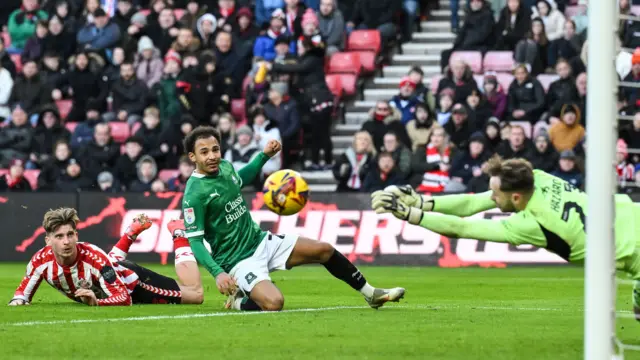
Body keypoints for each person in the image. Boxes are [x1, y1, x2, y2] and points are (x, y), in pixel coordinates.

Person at [371, 157, 640, 321]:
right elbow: (470, 203)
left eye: (495, 195)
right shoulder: (539, 178)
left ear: (514, 197)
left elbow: (461, 229)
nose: (490, 198)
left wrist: (408, 214)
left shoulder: (531, 224)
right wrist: (422, 202)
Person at [181, 126, 404, 311]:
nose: (211, 156)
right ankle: (238, 300)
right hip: (237, 260)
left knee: (324, 250)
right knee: (274, 303)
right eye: (204, 152)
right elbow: (196, 242)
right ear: (193, 157)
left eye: (215, 150)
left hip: (260, 240)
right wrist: (218, 273)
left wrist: (264, 156)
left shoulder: (225, 167)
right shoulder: (194, 195)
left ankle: (371, 293)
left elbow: (240, 178)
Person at [9, 209, 203, 306]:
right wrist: (17, 303)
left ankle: (179, 234)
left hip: (133, 284)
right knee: (107, 265)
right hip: (110, 269)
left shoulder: (93, 257)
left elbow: (124, 297)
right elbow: (20, 295)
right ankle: (130, 234)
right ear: (48, 240)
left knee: (196, 295)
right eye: (59, 237)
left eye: (70, 235)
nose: (66, 242)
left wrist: (97, 302)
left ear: (77, 235)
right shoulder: (39, 261)